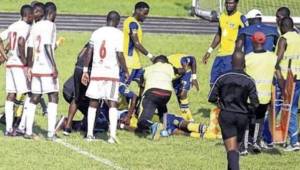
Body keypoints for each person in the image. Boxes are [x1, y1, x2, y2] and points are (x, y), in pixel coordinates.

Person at [81, 11, 129, 143]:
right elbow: (119, 54)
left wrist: (85, 70)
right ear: (118, 22)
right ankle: (112, 136)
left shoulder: (96, 32)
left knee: (93, 102)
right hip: (111, 73)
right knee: (112, 102)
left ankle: (90, 134)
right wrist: (125, 70)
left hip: (97, 72)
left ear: (107, 19)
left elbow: (89, 51)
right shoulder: (118, 34)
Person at [208, 51, 259, 170]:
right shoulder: (249, 80)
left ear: (231, 62)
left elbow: (211, 98)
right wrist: (246, 108)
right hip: (242, 117)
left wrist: (221, 104)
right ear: (244, 64)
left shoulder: (222, 77)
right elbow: (255, 103)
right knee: (234, 150)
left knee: (231, 151)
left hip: (227, 115)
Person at [23, 2, 58, 140]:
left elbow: (30, 48)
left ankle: (28, 131)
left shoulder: (34, 26)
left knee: (35, 97)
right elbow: (47, 45)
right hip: (47, 67)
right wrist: (54, 65)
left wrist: (29, 66)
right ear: (51, 12)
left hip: (36, 67)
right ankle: (50, 133)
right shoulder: (50, 25)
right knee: (53, 95)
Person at [0, 5, 34, 136]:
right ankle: (22, 126)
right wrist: (25, 62)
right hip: (19, 65)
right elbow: (20, 42)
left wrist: (4, 56)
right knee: (30, 93)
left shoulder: (13, 25)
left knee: (11, 94)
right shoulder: (26, 27)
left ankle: (8, 129)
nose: (33, 18)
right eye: (32, 16)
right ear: (28, 15)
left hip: (10, 64)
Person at [243, 32, 277, 154]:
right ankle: (256, 142)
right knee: (259, 119)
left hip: (250, 97)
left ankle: (245, 146)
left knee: (246, 120)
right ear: (264, 42)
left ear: (253, 41)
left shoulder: (248, 58)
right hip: (265, 97)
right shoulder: (273, 57)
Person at [202, 0, 246, 85]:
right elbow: (219, 34)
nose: (229, 5)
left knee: (227, 84)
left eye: (231, 3)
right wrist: (209, 51)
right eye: (227, 3)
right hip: (220, 55)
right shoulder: (222, 17)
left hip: (231, 56)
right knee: (213, 83)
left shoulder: (241, 17)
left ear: (236, 4)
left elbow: (247, 35)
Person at [275, 17, 300, 151]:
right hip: (298, 77)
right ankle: (290, 138)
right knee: (293, 108)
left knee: (287, 108)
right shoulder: (298, 37)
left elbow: (278, 58)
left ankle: (294, 141)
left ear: (283, 27)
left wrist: (271, 65)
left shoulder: (284, 39)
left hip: (286, 78)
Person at [136, 55, 175, 140]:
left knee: (142, 120)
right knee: (162, 106)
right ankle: (165, 129)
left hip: (152, 92)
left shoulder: (147, 69)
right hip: (167, 94)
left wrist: (140, 100)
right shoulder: (170, 67)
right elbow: (179, 72)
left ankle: (153, 125)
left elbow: (142, 87)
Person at [63, 43, 91, 135]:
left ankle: (68, 126)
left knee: (77, 98)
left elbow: (80, 55)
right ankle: (89, 130)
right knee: (95, 102)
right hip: (89, 70)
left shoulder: (93, 38)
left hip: (77, 70)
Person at [123, 1, 153, 86]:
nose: (146, 16)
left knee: (144, 83)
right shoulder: (132, 23)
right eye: (145, 13)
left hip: (136, 63)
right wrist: (151, 56)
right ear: (138, 11)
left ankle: (140, 99)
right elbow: (136, 43)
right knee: (123, 87)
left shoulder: (134, 23)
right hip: (130, 63)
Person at [167, 54, 199, 121]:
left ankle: (188, 118)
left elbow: (193, 59)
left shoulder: (183, 60)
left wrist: (194, 78)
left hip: (187, 74)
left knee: (182, 94)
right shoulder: (165, 68)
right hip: (175, 78)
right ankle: (187, 117)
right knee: (179, 96)